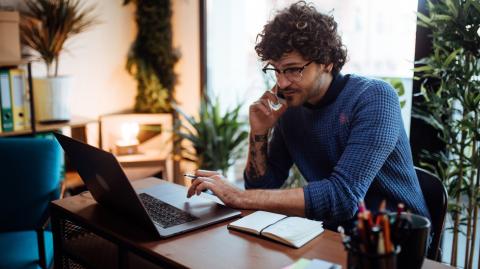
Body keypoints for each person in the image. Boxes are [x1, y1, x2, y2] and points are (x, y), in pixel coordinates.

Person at [187, 1, 430, 230]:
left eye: (293, 69)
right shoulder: (291, 108)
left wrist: (237, 195)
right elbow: (262, 187)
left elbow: (343, 197)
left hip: (398, 237)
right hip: (334, 234)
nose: (281, 82)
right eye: (276, 70)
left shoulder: (374, 98)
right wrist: (259, 132)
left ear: (326, 62)